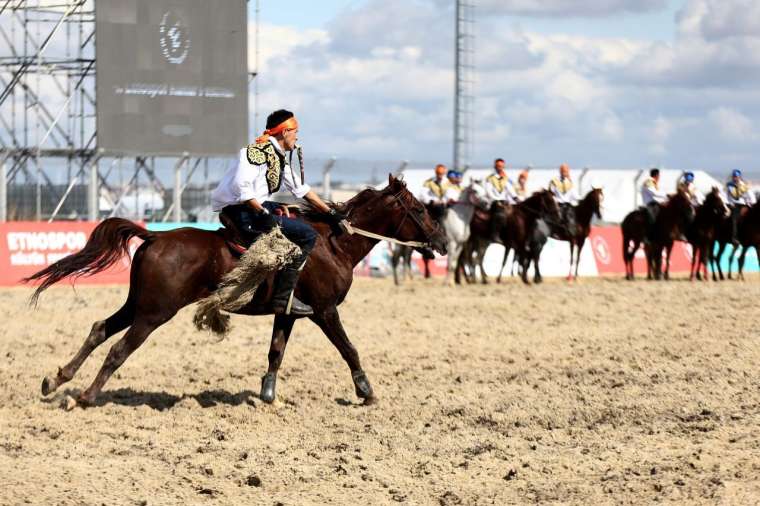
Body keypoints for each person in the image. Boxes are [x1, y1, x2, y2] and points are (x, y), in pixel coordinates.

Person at [211, 109, 344, 317]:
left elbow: (302, 190)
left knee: (297, 214)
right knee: (308, 235)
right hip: (243, 211)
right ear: (284, 132)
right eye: (295, 131)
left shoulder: (280, 158)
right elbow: (241, 187)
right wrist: (261, 211)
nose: (297, 136)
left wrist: (331, 212)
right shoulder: (254, 153)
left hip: (257, 207)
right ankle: (283, 299)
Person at [725, 169, 756, 242]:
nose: (735, 178)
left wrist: (748, 204)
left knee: (735, 219)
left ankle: (737, 237)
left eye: (736, 177)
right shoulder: (730, 185)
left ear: (739, 177)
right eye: (734, 176)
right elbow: (728, 196)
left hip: (743, 205)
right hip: (732, 205)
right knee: (730, 218)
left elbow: (751, 197)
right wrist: (730, 203)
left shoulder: (744, 186)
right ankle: (731, 237)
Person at [549, 163, 578, 232]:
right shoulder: (554, 181)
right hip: (558, 205)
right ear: (560, 171)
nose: (565, 173)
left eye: (566, 171)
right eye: (563, 171)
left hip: (568, 205)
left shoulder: (570, 182)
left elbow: (574, 194)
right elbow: (551, 193)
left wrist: (581, 200)